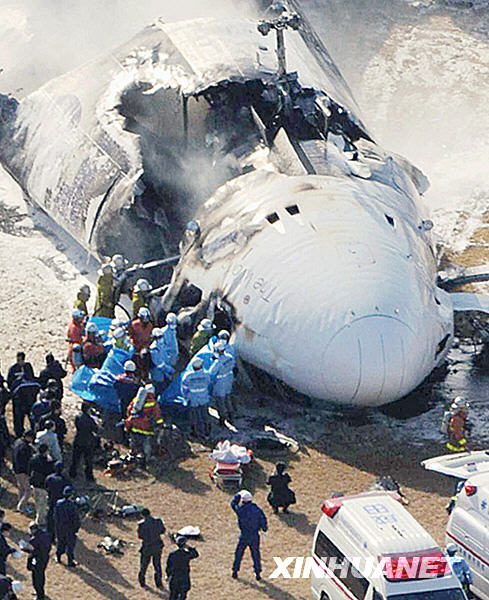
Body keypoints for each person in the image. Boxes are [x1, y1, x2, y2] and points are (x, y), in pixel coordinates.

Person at [231, 490, 268, 581]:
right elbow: (264, 525)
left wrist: (238, 495)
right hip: (255, 535)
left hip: (244, 535)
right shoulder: (258, 510)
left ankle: (235, 571)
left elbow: (233, 503)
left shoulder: (241, 510)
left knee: (239, 553)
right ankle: (257, 573)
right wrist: (262, 527)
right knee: (255, 554)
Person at [125, 385, 163, 465]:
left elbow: (128, 410)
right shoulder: (153, 402)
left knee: (134, 446)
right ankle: (145, 462)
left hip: (134, 428)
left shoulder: (136, 400)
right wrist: (159, 425)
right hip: (146, 430)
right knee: (146, 448)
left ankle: (133, 459)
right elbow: (157, 415)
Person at [181, 357, 211, 438]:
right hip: (204, 398)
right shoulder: (206, 374)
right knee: (205, 414)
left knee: (194, 416)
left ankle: (196, 432)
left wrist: (186, 398)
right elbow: (208, 384)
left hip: (193, 399)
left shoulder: (187, 376)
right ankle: (207, 431)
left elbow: (184, 389)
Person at [137, 507, 166, 589]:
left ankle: (142, 582)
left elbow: (140, 536)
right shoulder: (158, 521)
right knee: (157, 565)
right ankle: (158, 583)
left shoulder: (141, 524)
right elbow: (162, 531)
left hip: (147, 547)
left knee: (143, 566)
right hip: (157, 546)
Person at [69, 403, 98, 482]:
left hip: (78, 439)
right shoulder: (90, 420)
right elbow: (95, 429)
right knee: (88, 460)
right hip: (87, 441)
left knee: (75, 458)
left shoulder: (78, 417)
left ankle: (72, 473)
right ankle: (89, 476)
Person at [209, 340, 236, 426]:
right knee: (227, 398)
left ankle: (223, 419)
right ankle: (231, 417)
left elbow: (211, 372)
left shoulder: (218, 362)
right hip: (229, 378)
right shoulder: (230, 357)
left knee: (220, 401)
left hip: (220, 382)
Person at [29, 444, 55, 526]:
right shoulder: (48, 462)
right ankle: (40, 520)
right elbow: (51, 472)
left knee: (37, 501)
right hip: (43, 485)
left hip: (35, 483)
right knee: (43, 503)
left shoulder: (34, 459)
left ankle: (38, 515)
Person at [25, 521, 52, 600]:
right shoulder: (46, 535)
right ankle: (40, 592)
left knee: (36, 579)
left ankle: (40, 596)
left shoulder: (34, 539)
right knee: (41, 575)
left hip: (37, 560)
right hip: (45, 558)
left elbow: (30, 549)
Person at [166, 536, 199, 600]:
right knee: (183, 595)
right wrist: (189, 547)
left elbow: (168, 566)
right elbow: (196, 554)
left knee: (173, 596)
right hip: (184, 577)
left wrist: (168, 575)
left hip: (174, 577)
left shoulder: (172, 554)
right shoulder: (186, 554)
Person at [54, 486, 80, 567]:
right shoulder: (72, 505)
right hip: (70, 529)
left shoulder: (58, 503)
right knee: (70, 546)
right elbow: (75, 519)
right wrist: (76, 528)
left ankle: (58, 557)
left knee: (60, 543)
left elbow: (55, 516)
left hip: (59, 528)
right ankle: (70, 561)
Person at [45, 462, 70, 537]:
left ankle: (49, 534)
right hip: (60, 501)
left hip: (51, 499)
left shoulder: (49, 478)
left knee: (50, 517)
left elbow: (46, 487)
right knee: (60, 519)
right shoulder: (64, 480)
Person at [12, 430, 34, 513]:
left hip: (16, 470)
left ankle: (21, 503)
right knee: (28, 491)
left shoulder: (17, 442)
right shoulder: (25, 448)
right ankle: (21, 507)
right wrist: (28, 473)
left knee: (21, 488)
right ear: (28, 437)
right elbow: (26, 462)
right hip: (23, 471)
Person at [149, 329, 175, 396]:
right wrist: (170, 370)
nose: (160, 338)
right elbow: (160, 365)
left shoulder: (163, 344)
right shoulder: (154, 349)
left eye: (161, 336)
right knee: (159, 390)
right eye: (158, 337)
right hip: (158, 375)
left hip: (165, 373)